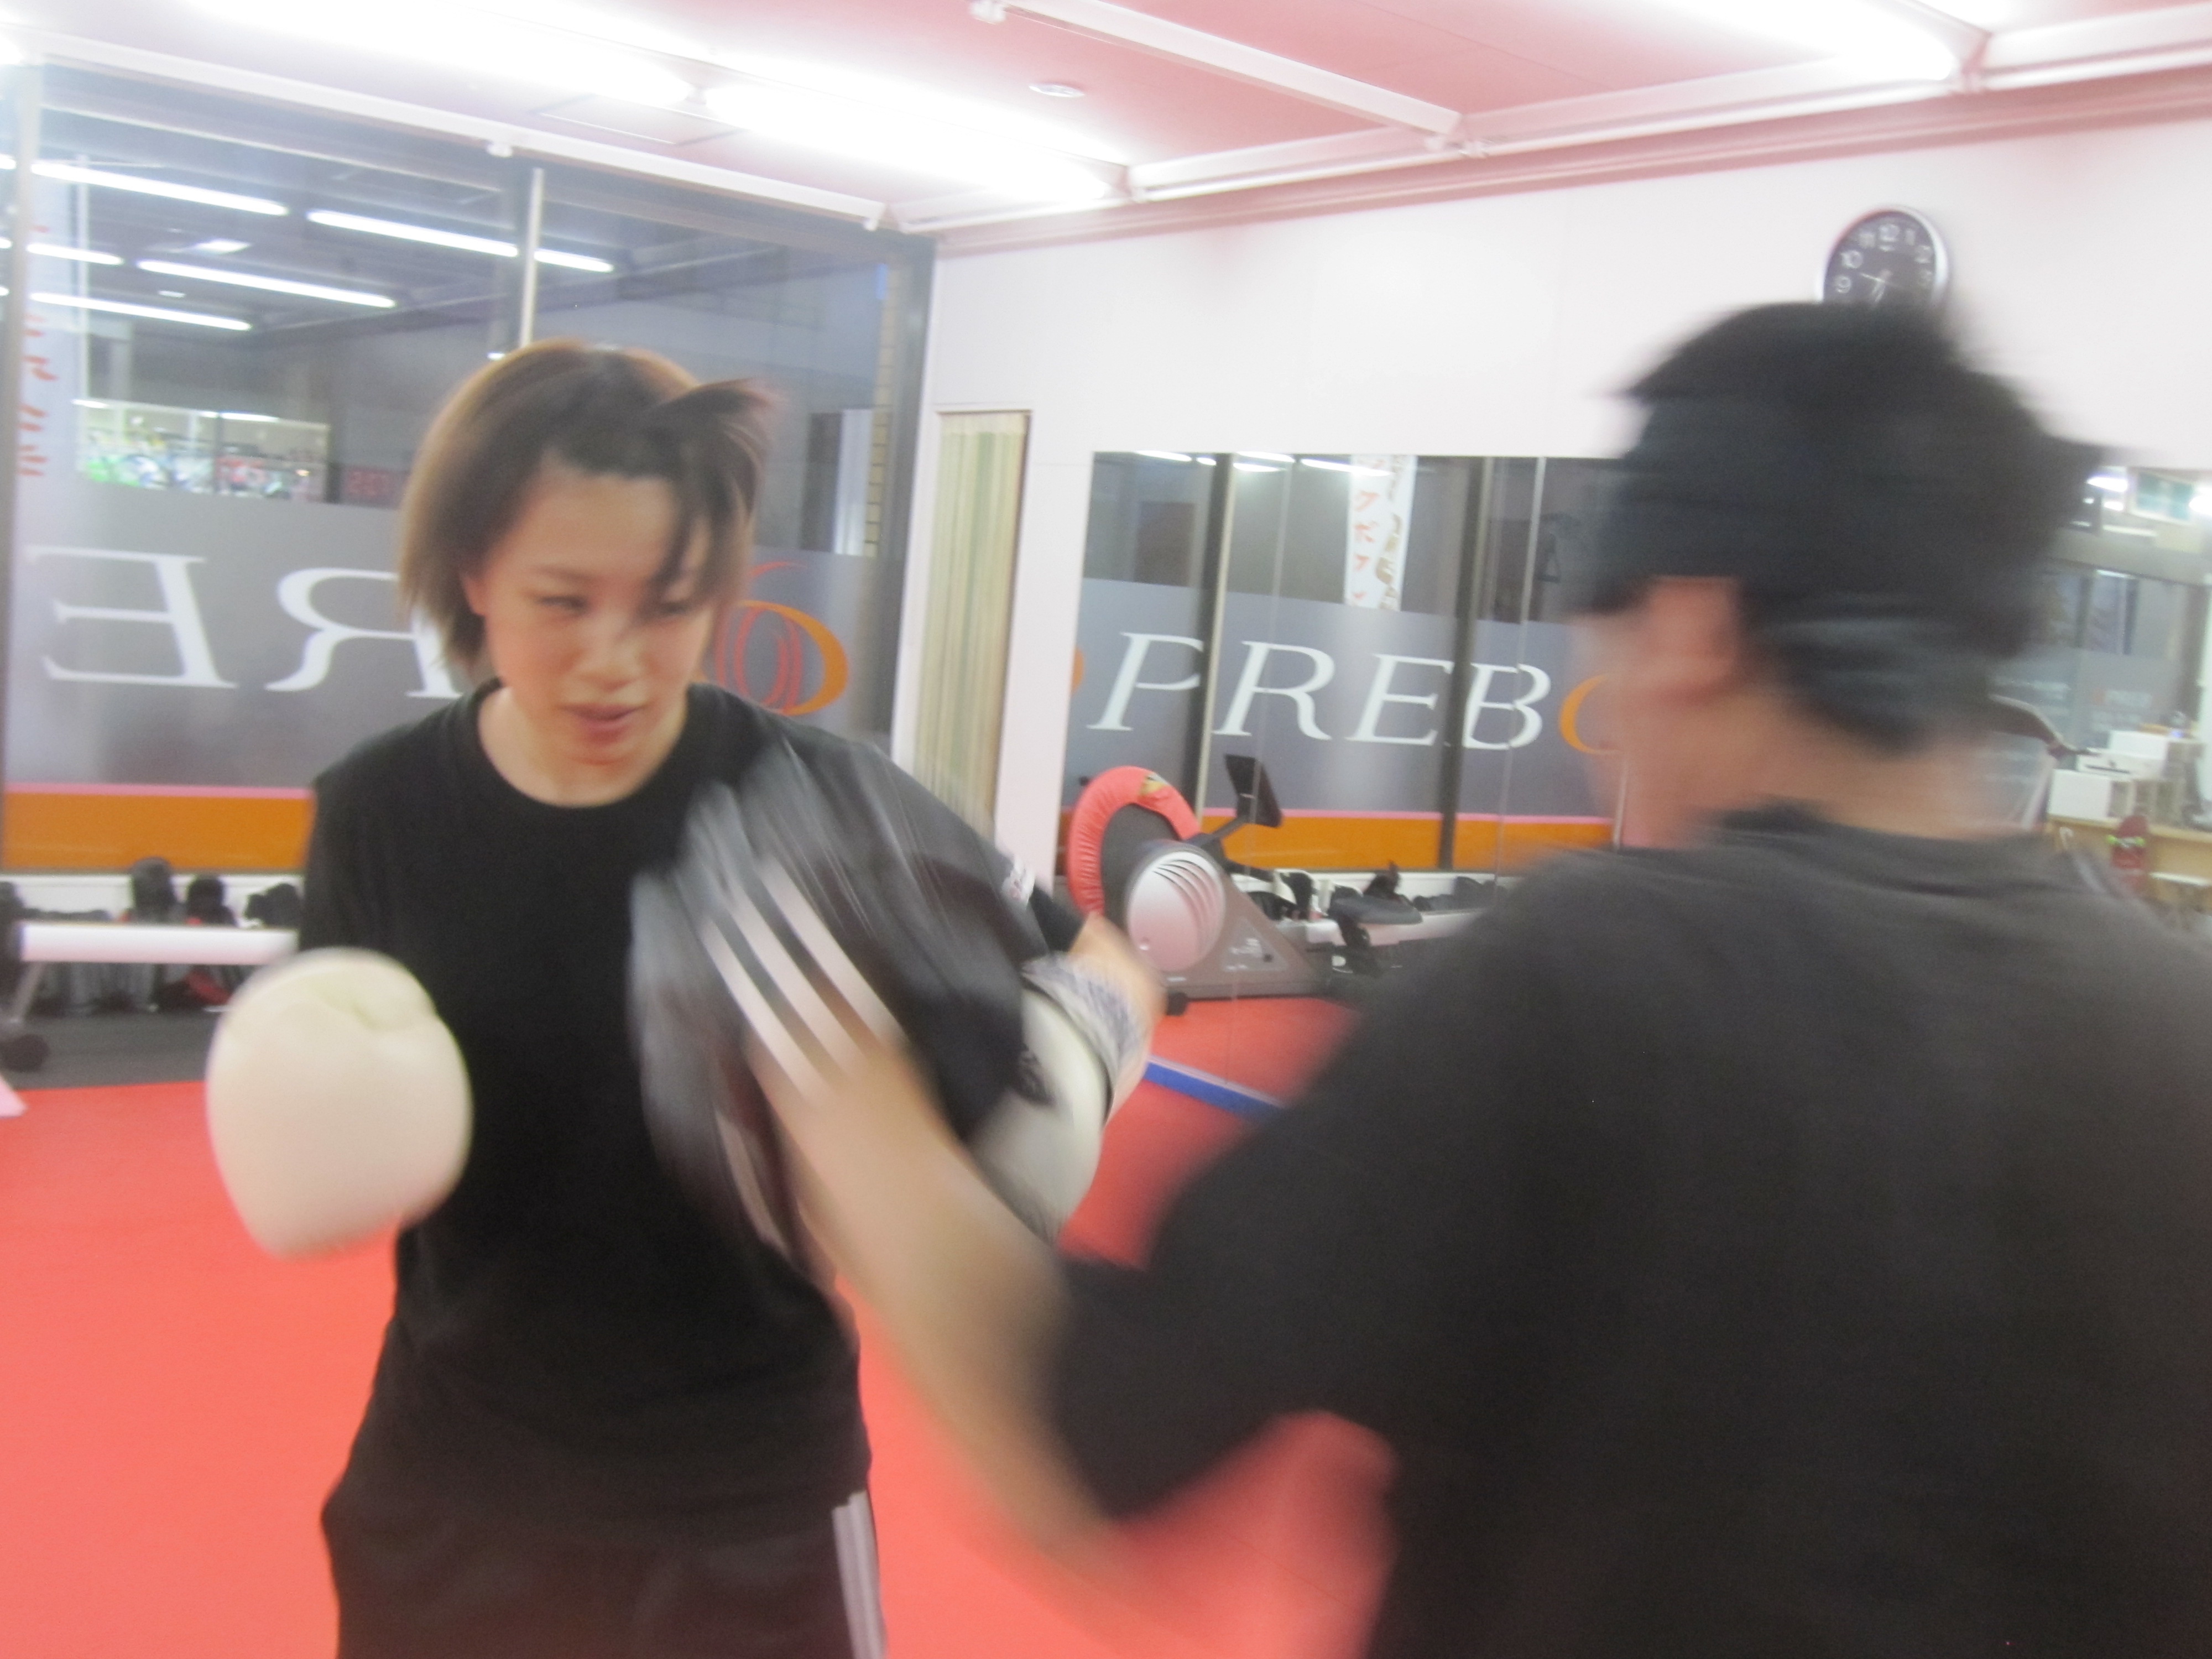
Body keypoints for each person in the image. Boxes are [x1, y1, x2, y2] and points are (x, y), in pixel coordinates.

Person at [746, 305, 2212, 1656]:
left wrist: (834, 1077)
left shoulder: (1583, 985)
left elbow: (1084, 1438)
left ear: (1695, 627)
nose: (1609, 723)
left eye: (1609, 656)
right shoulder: (2175, 1027)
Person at [299, 338, 1105, 1658]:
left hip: (749, 1502)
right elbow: (342, 1125)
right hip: (456, 1488)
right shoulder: (379, 811)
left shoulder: (819, 804)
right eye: (564, 602)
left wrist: (1069, 1069)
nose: (615, 659)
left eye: (668, 606)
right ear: (473, 575)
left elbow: (1090, 954)